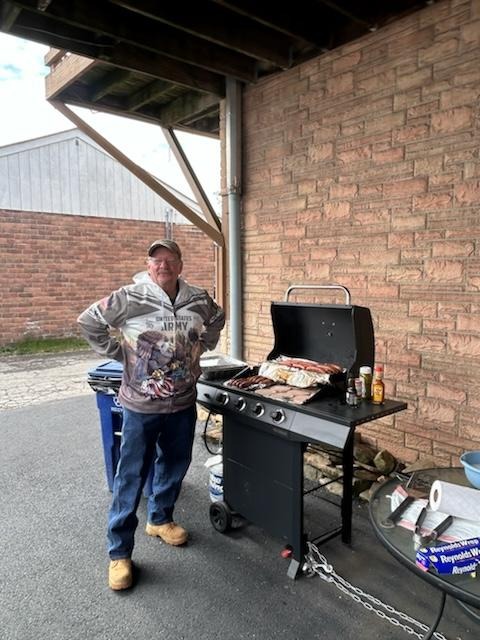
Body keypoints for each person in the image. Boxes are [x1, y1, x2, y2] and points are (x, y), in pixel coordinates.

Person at [78, 239, 225, 590]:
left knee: (175, 464)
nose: (163, 265)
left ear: (180, 264)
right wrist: (124, 355)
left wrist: (202, 345)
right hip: (141, 405)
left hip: (183, 401)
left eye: (170, 259)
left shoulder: (197, 298)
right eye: (156, 260)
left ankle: (160, 519)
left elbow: (218, 318)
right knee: (130, 476)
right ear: (148, 265)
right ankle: (119, 553)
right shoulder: (130, 297)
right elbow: (88, 322)